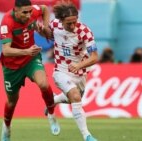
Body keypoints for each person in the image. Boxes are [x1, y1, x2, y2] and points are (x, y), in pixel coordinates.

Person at [0, 0, 60, 141]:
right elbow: (6, 51)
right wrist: (27, 51)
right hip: (12, 66)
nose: (28, 15)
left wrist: (45, 27)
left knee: (44, 84)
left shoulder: (32, 11)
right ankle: (6, 127)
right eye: (24, 12)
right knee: (12, 101)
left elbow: (44, 9)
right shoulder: (6, 23)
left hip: (30, 59)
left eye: (30, 11)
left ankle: (51, 114)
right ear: (16, 10)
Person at [45, 2, 98, 141]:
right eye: (69, 23)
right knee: (75, 96)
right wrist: (40, 30)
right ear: (61, 20)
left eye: (74, 22)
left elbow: (94, 57)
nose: (72, 25)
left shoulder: (85, 31)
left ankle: (55, 100)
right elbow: (49, 35)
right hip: (61, 70)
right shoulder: (55, 24)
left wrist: (79, 65)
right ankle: (87, 135)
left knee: (74, 99)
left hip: (80, 72)